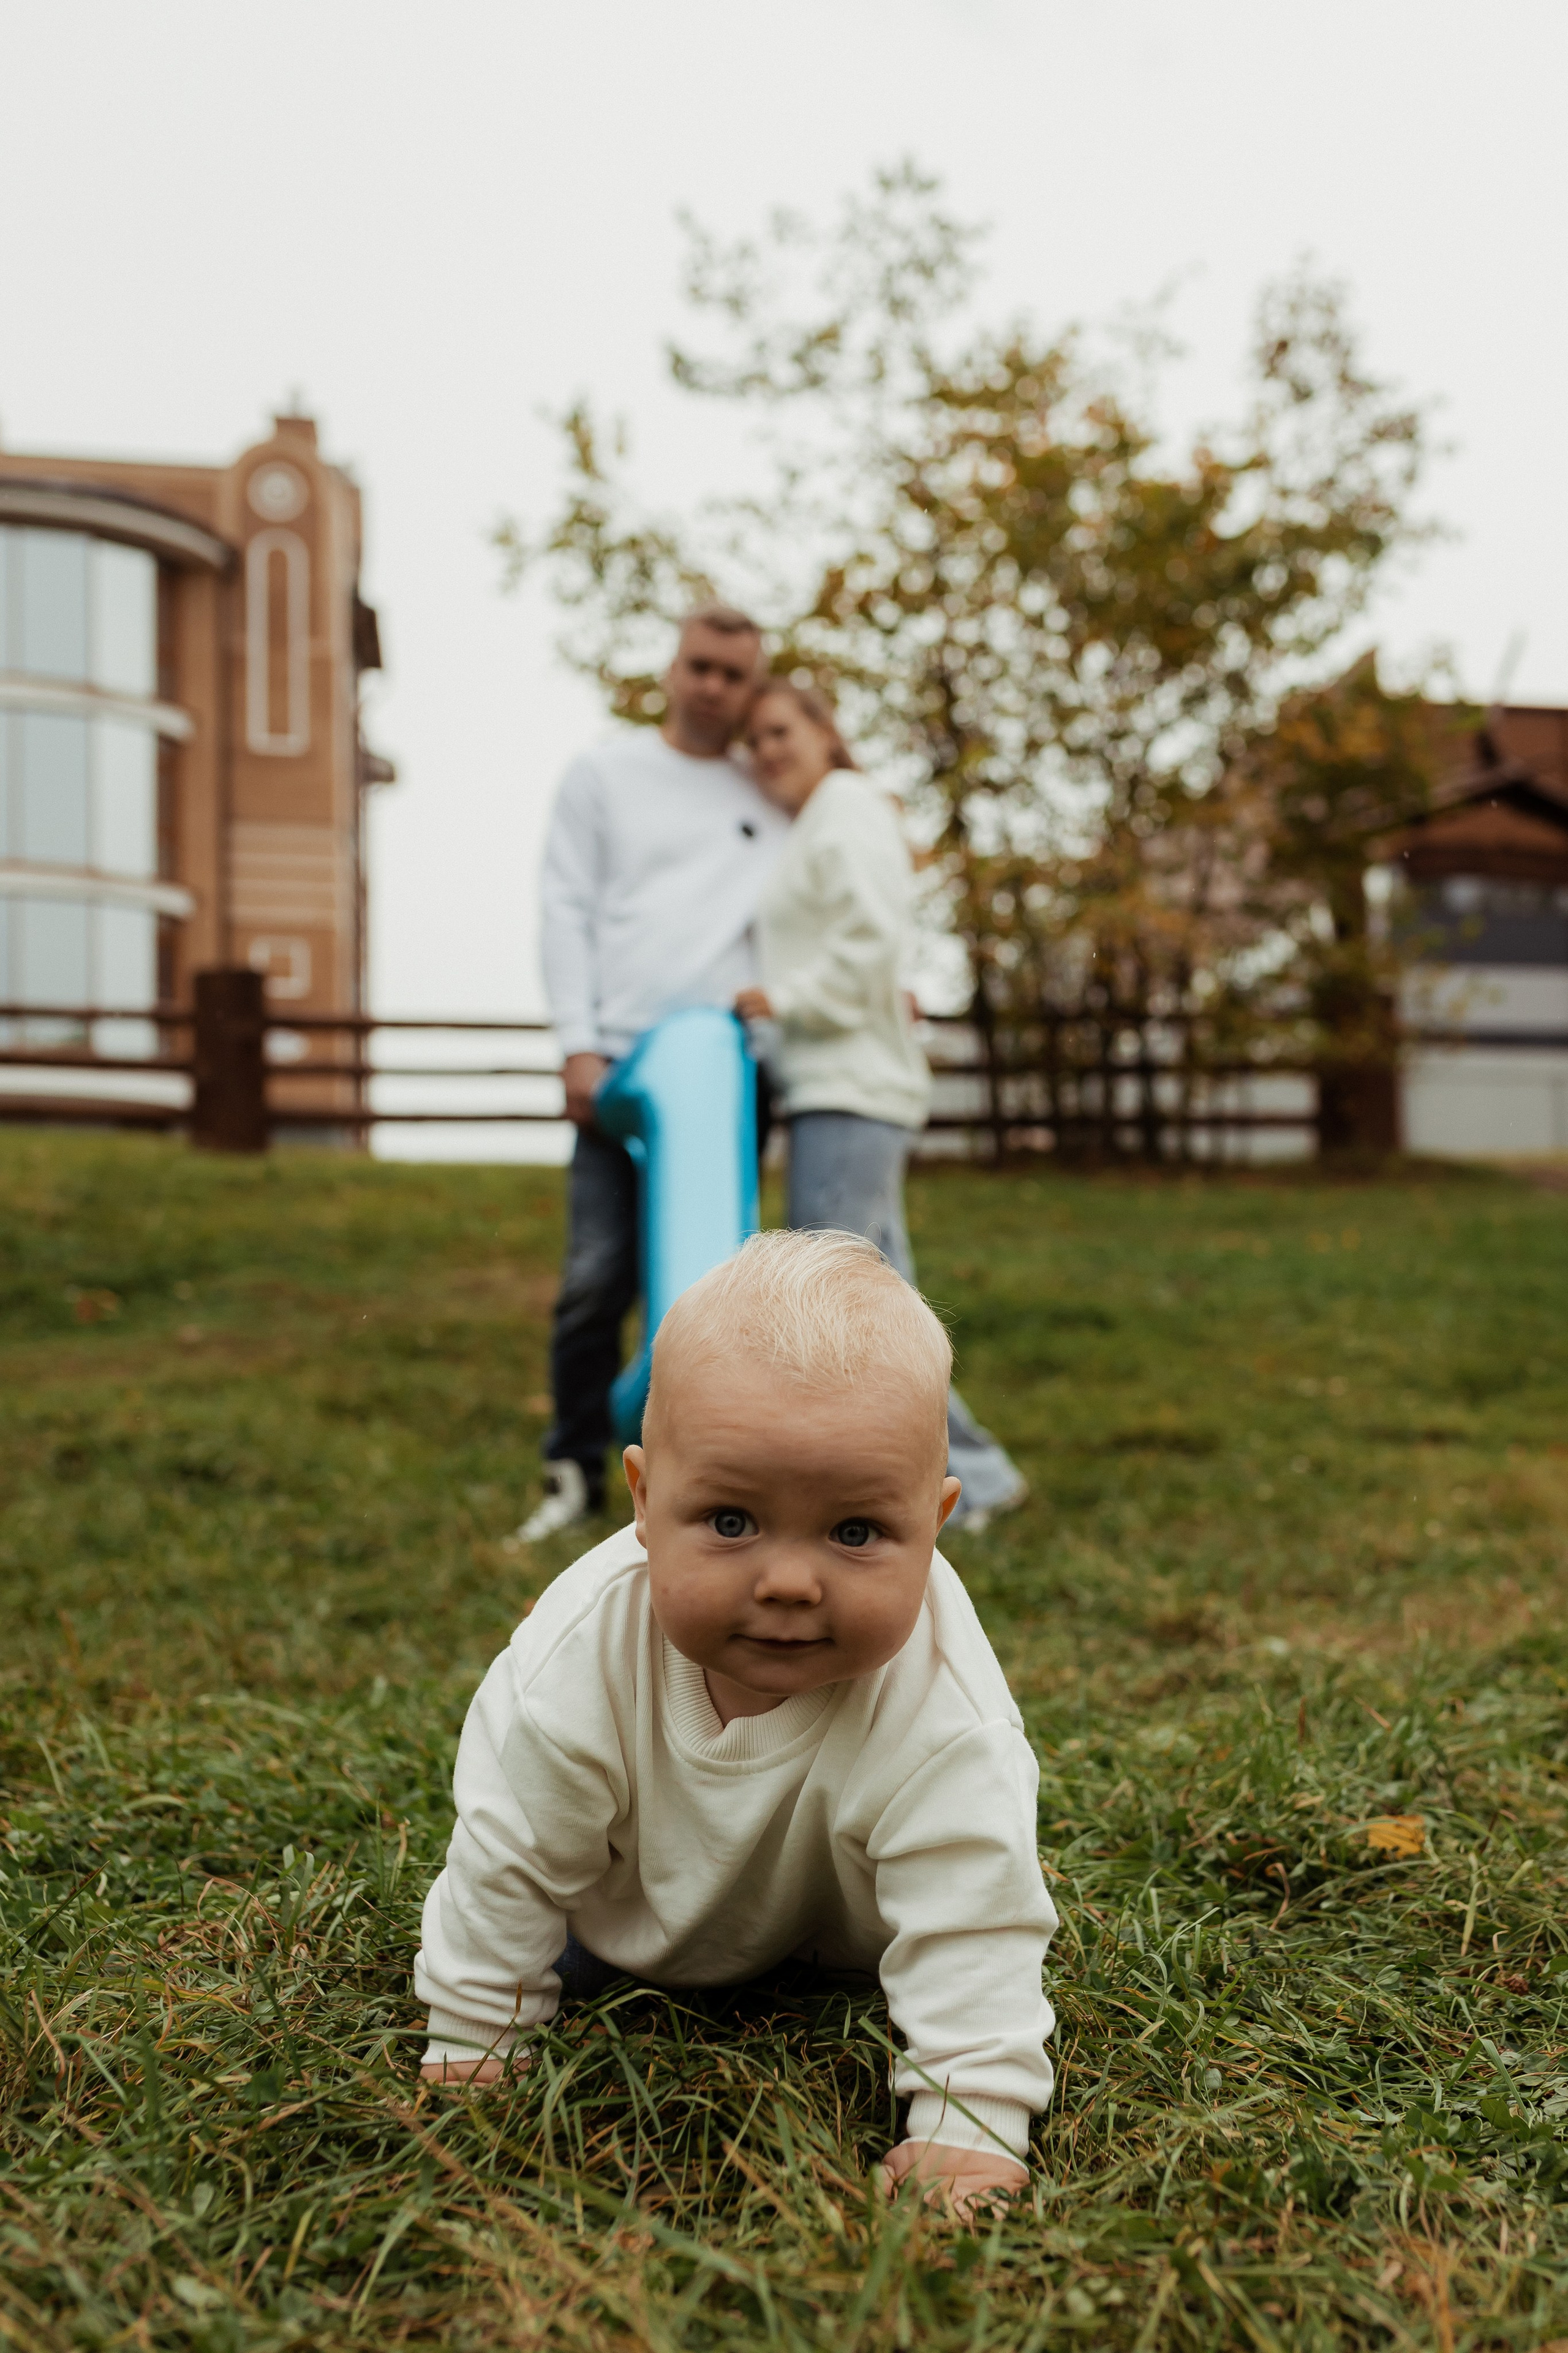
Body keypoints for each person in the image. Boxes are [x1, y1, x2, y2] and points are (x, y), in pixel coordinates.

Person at [418, 1229, 1058, 2213]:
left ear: (934, 1524)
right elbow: (510, 1857)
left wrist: (969, 2129)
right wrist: (476, 2045)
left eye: (856, 1532)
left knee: (951, 1921)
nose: (790, 1581)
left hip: (849, 1947)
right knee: (538, 1928)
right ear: (642, 1499)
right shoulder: (581, 1660)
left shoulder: (945, 1705)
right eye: (729, 1521)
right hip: (624, 1933)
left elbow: (976, 1912)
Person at [515, 606, 790, 1543]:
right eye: (700, 666)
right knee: (597, 1274)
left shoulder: (771, 790)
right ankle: (572, 1463)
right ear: (672, 669)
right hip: (623, 1064)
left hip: (725, 1078)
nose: (715, 686)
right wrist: (576, 1041)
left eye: (735, 674)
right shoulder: (606, 774)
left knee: (716, 1283)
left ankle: (704, 1473)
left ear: (755, 687)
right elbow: (566, 905)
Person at [734, 681, 1027, 1531]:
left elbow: (872, 938)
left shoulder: (850, 804)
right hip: (833, 1085)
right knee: (880, 1294)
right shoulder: (819, 820)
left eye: (781, 729)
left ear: (827, 732)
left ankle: (948, 1478)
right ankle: (971, 1472)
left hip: (852, 1087)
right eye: (755, 741)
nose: (768, 750)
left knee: (838, 1298)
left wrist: (783, 999)